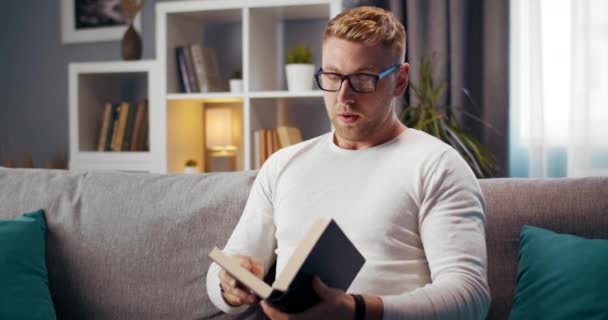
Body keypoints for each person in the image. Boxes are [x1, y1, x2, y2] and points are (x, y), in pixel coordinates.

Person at [207, 6, 490, 320]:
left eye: (363, 79)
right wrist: (228, 287)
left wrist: (356, 310)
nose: (344, 97)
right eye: (332, 76)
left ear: (399, 80)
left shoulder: (437, 165)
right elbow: (225, 268)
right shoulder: (283, 164)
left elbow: (470, 296)